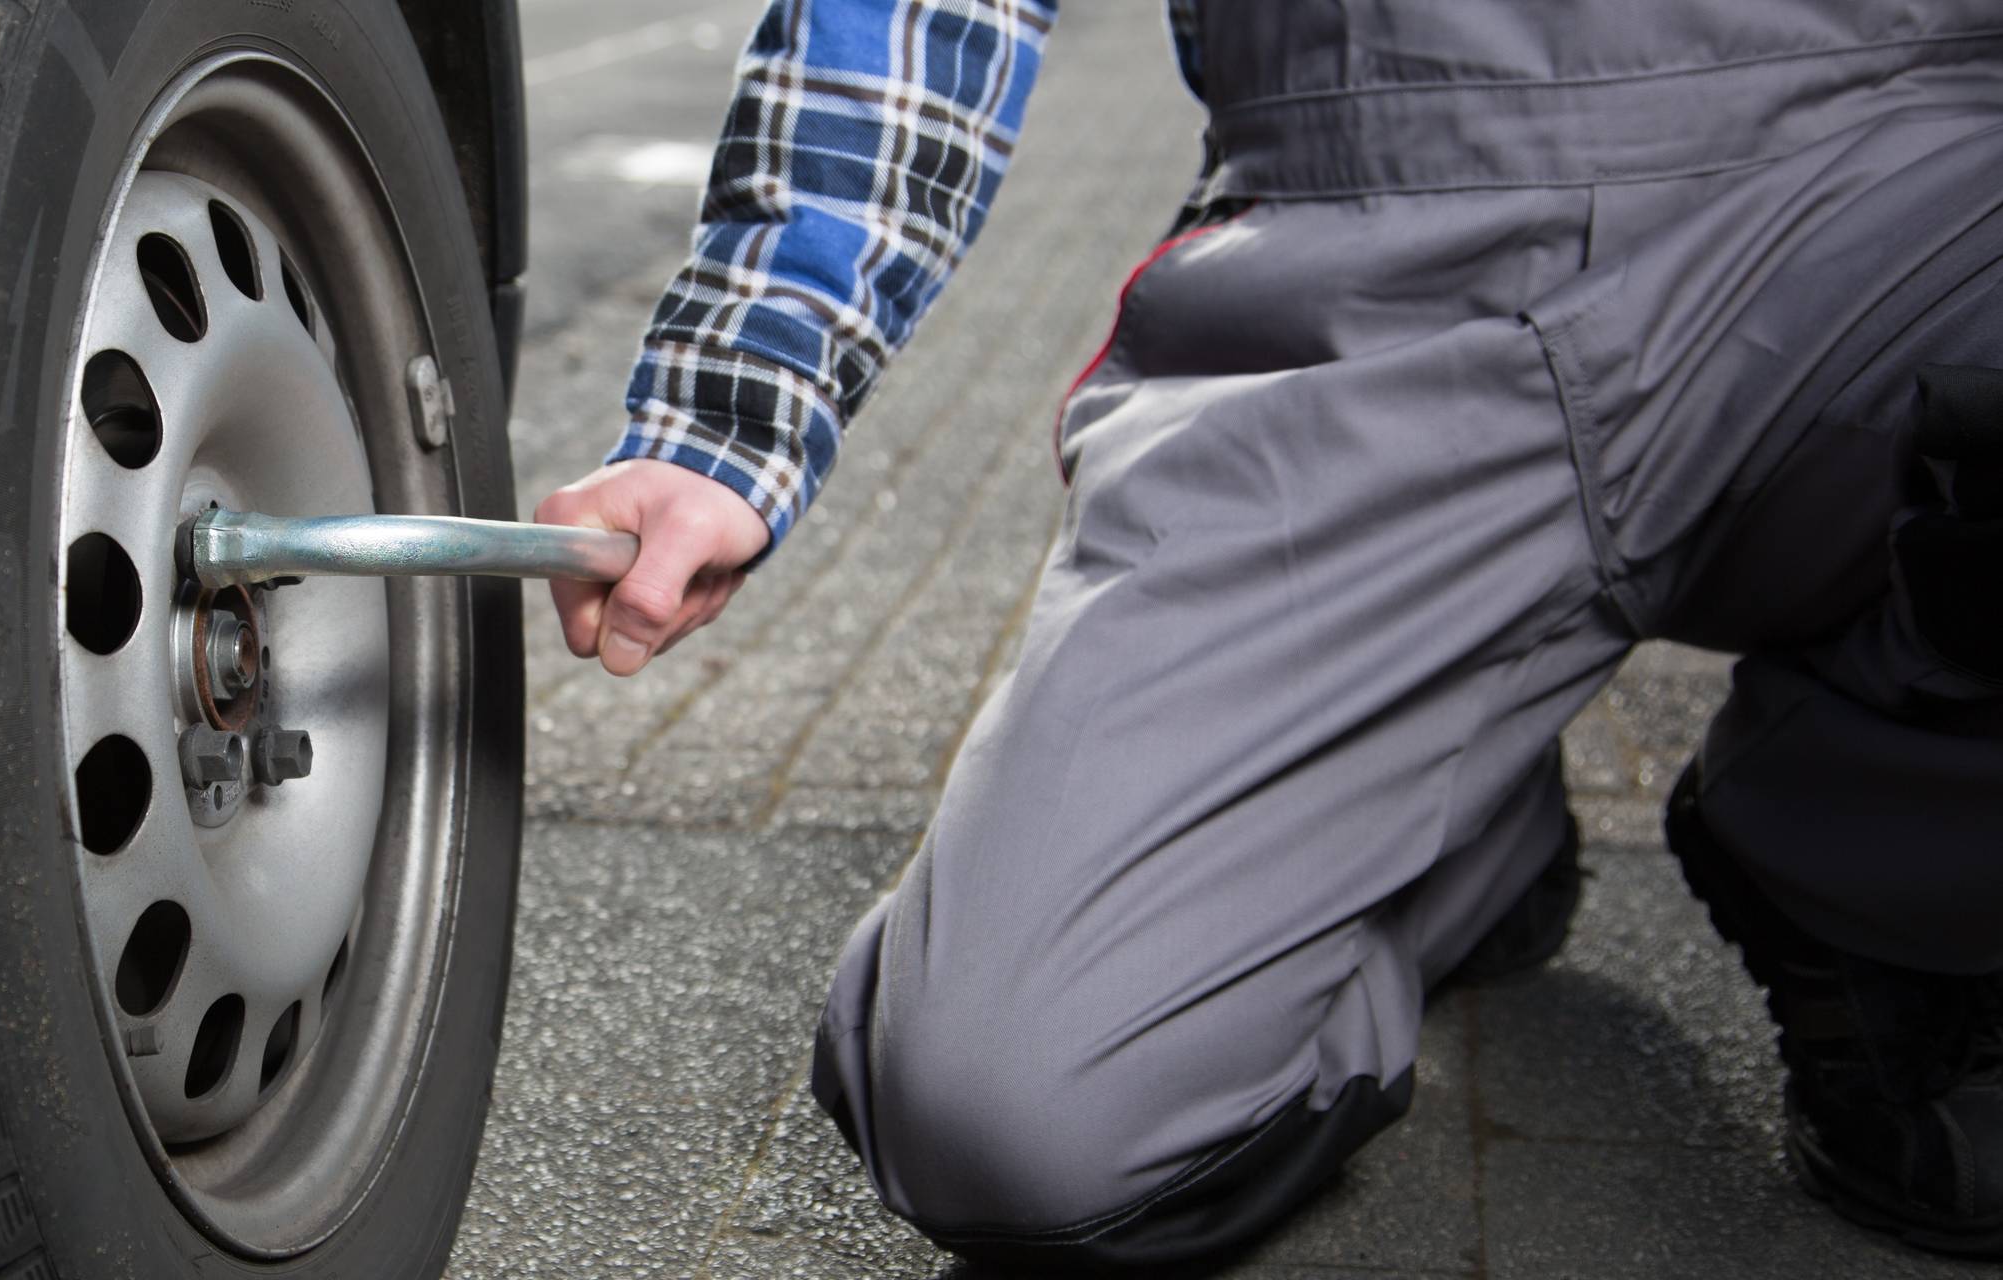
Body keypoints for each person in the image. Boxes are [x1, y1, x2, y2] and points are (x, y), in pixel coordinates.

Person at [534, 0, 2003, 1268]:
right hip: (1375, 243)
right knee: (1013, 1115)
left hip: (1895, 189)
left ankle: (1881, 849)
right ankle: (1448, 819)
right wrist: (733, 410)